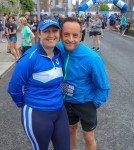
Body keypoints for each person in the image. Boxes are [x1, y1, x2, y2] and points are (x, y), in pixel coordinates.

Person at [8, 17, 70, 150]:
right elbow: (14, 88)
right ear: (38, 34)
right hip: (37, 114)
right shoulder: (30, 58)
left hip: (60, 111)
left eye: (54, 31)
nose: (51, 35)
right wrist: (25, 105)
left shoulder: (59, 54)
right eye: (46, 31)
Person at [57, 17, 110, 150]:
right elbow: (40, 49)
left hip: (86, 103)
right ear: (61, 35)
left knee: (88, 136)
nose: (70, 39)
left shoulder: (92, 58)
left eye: (75, 35)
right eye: (66, 34)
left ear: (81, 35)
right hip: (65, 101)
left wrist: (95, 103)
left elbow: (103, 86)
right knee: (70, 130)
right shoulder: (58, 48)